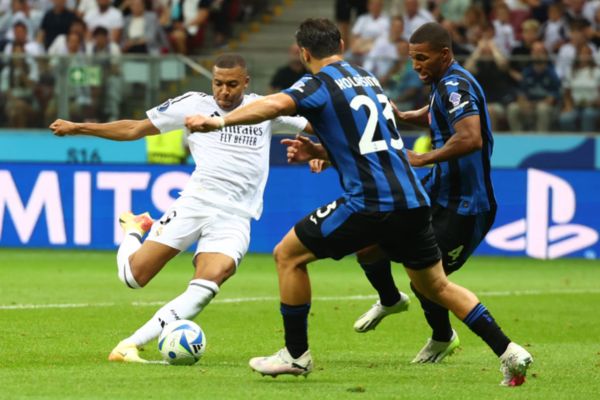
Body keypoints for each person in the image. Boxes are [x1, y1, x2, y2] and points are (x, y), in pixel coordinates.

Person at [184, 19, 533, 386]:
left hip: (371, 201)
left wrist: (219, 123)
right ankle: (510, 351)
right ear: (342, 44)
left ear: (304, 53)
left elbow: (275, 104)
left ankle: (295, 355)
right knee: (437, 286)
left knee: (288, 255)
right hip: (414, 199)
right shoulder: (366, 77)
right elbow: (371, 144)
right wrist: (321, 150)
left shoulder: (317, 83)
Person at [49, 53, 310, 363]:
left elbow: (316, 125)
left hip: (235, 216)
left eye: (231, 84)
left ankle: (128, 345)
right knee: (133, 277)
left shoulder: (264, 109)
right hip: (194, 204)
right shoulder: (192, 104)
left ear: (246, 82)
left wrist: (322, 152)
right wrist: (79, 127)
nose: (223, 91)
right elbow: (135, 129)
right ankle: (133, 229)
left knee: (208, 283)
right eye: (217, 84)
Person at [286, 19, 514, 367]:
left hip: (466, 205)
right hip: (435, 191)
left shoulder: (455, 85)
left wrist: (422, 157)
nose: (415, 66)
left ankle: (446, 338)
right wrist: (404, 115)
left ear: (445, 54)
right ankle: (391, 300)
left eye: (422, 58)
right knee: (369, 245)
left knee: (428, 280)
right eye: (412, 58)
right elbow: (436, 113)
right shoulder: (443, 84)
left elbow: (471, 138)